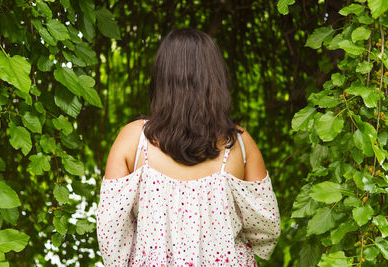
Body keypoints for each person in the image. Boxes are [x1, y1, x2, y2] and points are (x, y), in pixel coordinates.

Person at [95, 28, 281, 266]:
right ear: (215, 79)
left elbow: (111, 237)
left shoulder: (132, 139)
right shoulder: (240, 143)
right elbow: (266, 228)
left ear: (162, 78)